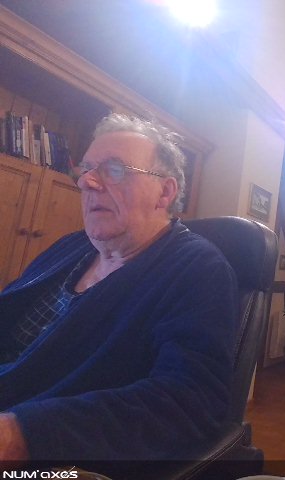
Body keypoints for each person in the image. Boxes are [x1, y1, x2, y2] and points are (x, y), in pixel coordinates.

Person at [0, 113, 238, 464]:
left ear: (165, 192)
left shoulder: (197, 269)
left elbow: (189, 402)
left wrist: (23, 434)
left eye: (113, 170)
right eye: (86, 170)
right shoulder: (71, 246)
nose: (87, 182)